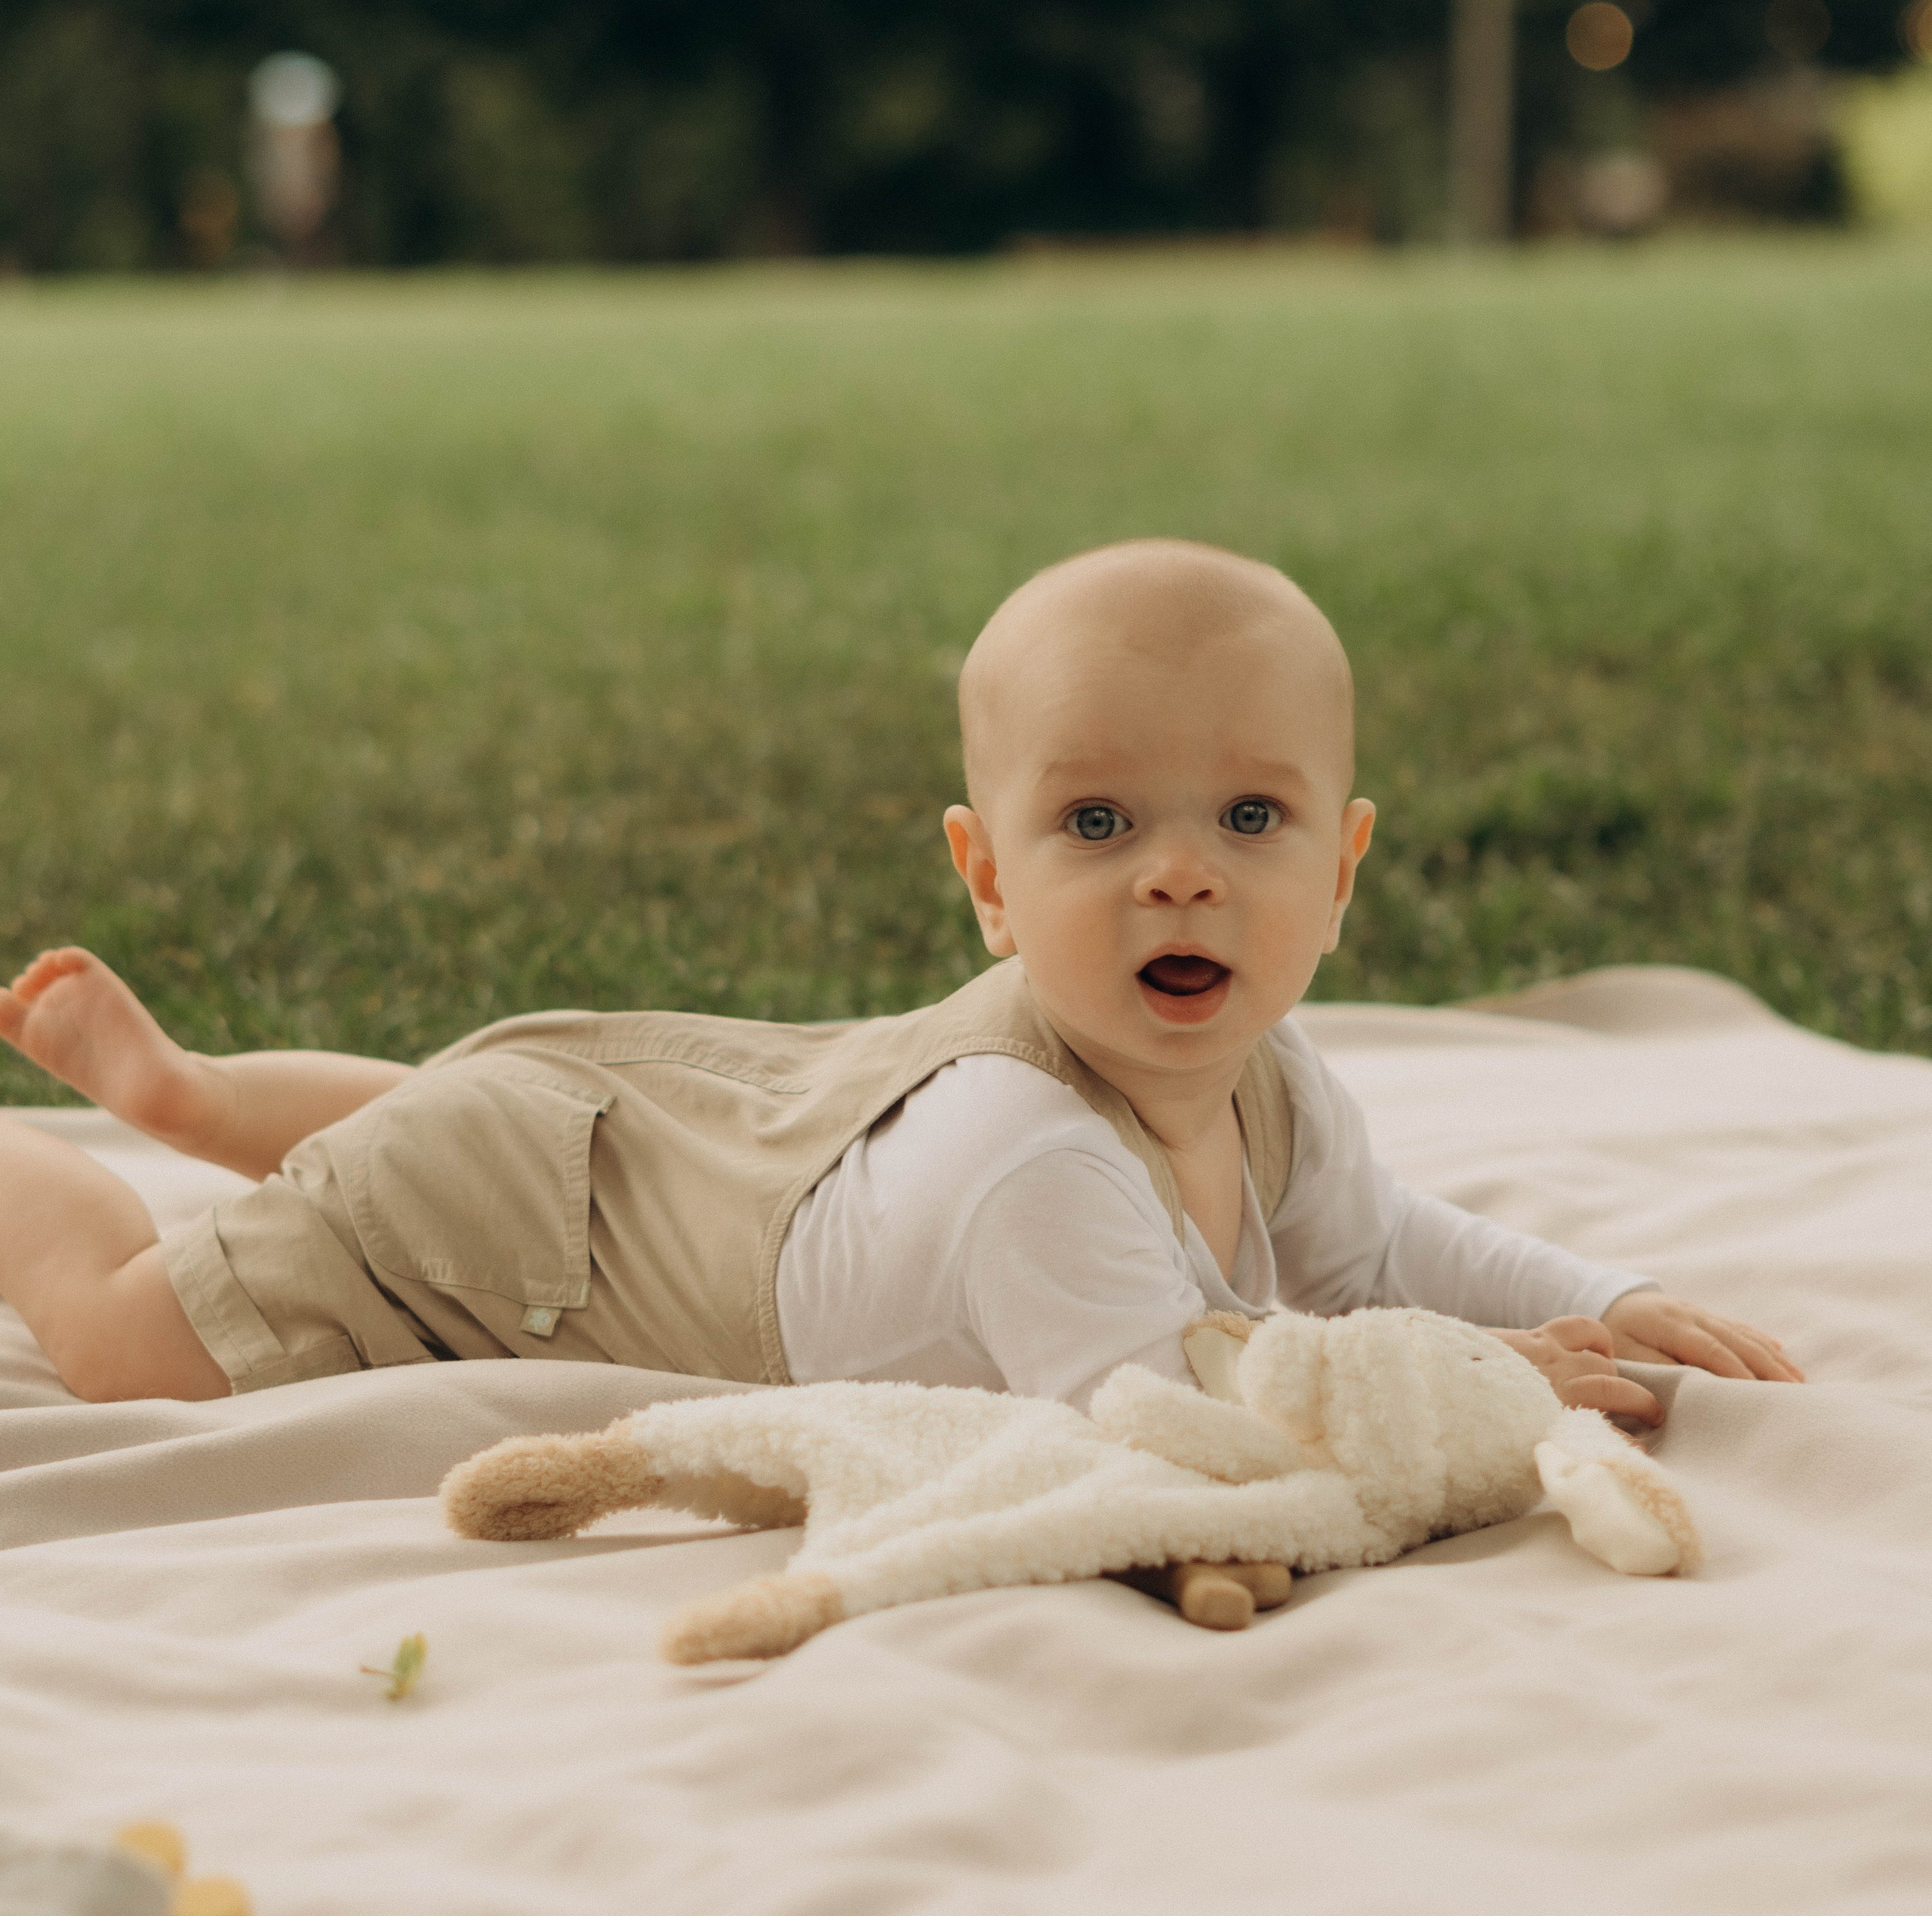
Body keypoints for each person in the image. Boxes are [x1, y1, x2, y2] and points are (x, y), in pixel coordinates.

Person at [0, 540, 1800, 1417]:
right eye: (1097, 820)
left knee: (478, 1127)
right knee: (124, 1343)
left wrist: (1601, 1293)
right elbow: (1181, 1397)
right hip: (512, 1211)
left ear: (1338, 871)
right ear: (986, 882)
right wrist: (1485, 1386)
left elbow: (1388, 1251)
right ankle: (78, 1158)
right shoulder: (1024, 1161)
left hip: (624, 1138)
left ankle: (208, 1102)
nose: (1180, 868)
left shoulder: (1266, 1079)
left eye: (1248, 816)